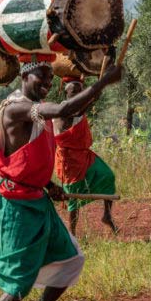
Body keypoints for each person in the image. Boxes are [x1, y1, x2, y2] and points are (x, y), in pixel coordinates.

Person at [0, 57, 122, 301]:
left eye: (50, 79)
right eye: (41, 77)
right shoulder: (17, 107)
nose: (47, 84)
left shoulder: (29, 107)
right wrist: (103, 81)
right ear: (25, 76)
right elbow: (65, 109)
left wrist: (48, 184)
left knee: (70, 261)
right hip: (17, 208)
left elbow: (27, 156)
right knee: (19, 283)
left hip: (36, 200)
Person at [53, 75, 117, 235]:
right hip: (69, 160)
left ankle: (107, 215)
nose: (78, 95)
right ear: (65, 92)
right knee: (73, 199)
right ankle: (72, 233)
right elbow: (77, 110)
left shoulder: (78, 108)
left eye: (80, 92)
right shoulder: (63, 109)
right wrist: (95, 93)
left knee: (107, 175)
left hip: (84, 156)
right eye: (74, 92)